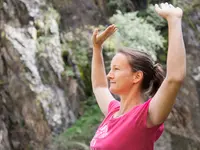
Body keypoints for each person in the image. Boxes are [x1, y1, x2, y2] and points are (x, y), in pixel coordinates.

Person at [90, 3, 186, 150]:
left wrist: (174, 20)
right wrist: (97, 48)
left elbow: (174, 78)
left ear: (136, 77)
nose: (109, 75)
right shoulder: (113, 112)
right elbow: (99, 86)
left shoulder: (145, 116)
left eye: (116, 69)